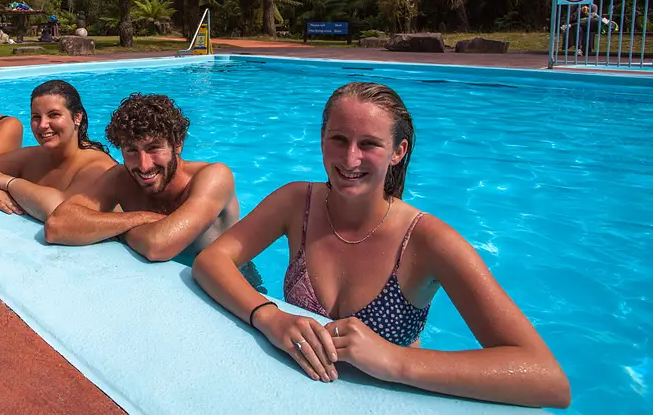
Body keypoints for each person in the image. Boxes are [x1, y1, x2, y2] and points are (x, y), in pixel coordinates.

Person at [191, 82, 570, 409]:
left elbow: (548, 380)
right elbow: (212, 260)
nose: (350, 158)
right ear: (322, 138)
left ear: (398, 151)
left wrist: (394, 360)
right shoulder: (296, 203)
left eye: (369, 144)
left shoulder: (427, 241)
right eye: (338, 139)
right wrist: (269, 316)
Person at [44, 93, 239, 263]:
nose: (144, 165)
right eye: (131, 151)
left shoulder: (214, 177)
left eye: (154, 148)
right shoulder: (120, 178)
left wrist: (109, 229)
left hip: (222, 284)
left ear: (177, 144)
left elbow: (159, 246)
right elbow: (56, 226)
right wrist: (142, 218)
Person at [0, 80, 117, 220]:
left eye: (54, 115)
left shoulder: (97, 166)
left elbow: (62, 211)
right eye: (36, 117)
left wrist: (9, 183)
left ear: (77, 117)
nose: (42, 125)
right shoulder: (32, 156)